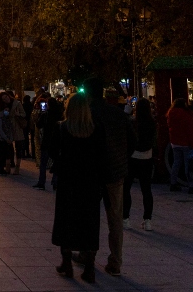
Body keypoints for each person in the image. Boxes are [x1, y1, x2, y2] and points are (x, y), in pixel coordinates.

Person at [81, 78, 135, 278]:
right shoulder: (118, 114)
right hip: (116, 172)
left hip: (93, 173)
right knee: (115, 218)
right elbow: (132, 141)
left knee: (89, 216)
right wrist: (122, 159)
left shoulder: (89, 114)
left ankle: (88, 254)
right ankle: (115, 261)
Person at [51, 93, 107, 284]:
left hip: (69, 182)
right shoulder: (96, 129)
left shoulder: (63, 129)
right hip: (90, 183)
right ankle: (89, 268)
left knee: (66, 222)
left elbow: (55, 154)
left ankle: (66, 263)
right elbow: (102, 156)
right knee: (89, 223)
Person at [123, 97, 156, 231]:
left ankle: (126, 218)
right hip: (147, 157)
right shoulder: (152, 123)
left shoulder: (133, 122)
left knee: (126, 189)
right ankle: (147, 220)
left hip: (132, 157)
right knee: (146, 190)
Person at [167, 97, 193, 195]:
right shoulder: (187, 115)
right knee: (189, 165)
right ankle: (192, 186)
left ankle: (173, 183)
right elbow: (191, 131)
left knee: (176, 163)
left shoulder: (171, 114)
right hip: (186, 143)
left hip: (175, 142)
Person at [33, 97, 63, 190]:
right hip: (57, 141)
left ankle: (42, 182)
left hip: (47, 140)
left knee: (43, 163)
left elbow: (38, 125)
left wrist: (40, 115)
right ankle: (55, 181)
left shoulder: (46, 114)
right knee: (56, 161)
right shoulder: (60, 114)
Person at [0, 92, 16, 175]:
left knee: (5, 152)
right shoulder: (0, 117)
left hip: (6, 137)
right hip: (2, 137)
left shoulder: (7, 116)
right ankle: (0, 169)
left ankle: (4, 167)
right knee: (2, 153)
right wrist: (6, 138)